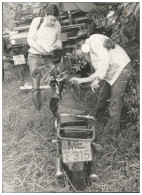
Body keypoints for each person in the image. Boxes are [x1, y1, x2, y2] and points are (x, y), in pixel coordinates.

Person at [70, 34, 132, 136]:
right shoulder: (91, 52)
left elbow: (105, 59)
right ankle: (97, 122)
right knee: (102, 96)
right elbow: (99, 71)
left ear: (80, 46)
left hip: (122, 68)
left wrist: (95, 79)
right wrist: (87, 80)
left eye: (75, 53)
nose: (77, 56)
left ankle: (113, 135)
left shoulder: (94, 40)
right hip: (113, 73)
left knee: (114, 103)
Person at [27, 4, 62, 110]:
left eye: (55, 20)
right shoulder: (37, 21)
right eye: (51, 20)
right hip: (35, 56)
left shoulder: (57, 25)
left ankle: (56, 105)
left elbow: (58, 39)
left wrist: (59, 44)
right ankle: (38, 108)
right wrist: (41, 50)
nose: (53, 23)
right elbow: (30, 40)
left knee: (56, 80)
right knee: (35, 85)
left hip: (49, 57)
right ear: (46, 14)